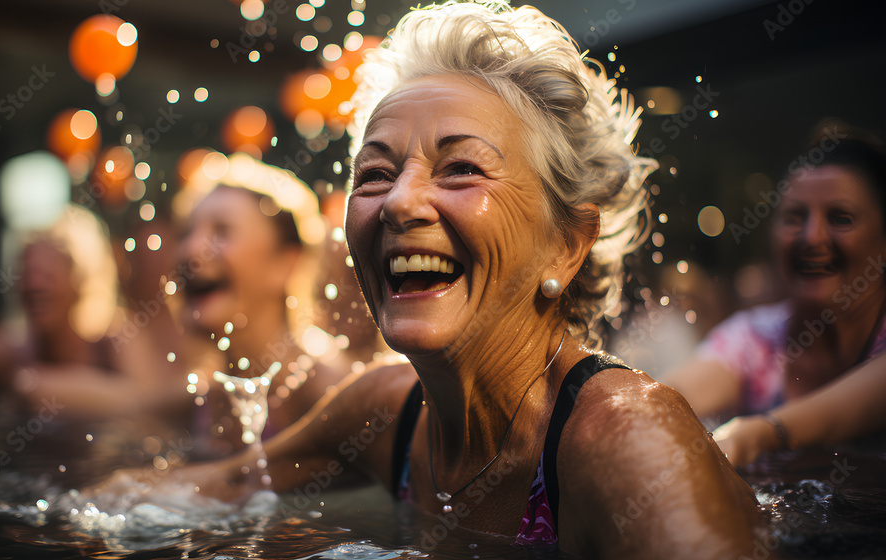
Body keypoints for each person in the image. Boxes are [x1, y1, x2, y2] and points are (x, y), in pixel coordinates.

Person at [93, 3, 759, 556]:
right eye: (375, 174)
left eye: (461, 169)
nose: (400, 203)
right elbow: (213, 488)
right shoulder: (386, 411)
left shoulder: (625, 440)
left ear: (565, 244)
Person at [664, 124, 886, 466]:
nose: (812, 237)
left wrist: (758, 435)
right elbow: (667, 398)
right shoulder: (755, 338)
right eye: (795, 217)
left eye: (841, 218)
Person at [172, 153, 351, 458]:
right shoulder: (210, 393)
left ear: (286, 263)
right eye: (187, 232)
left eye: (221, 232)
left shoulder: (328, 393)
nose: (190, 250)